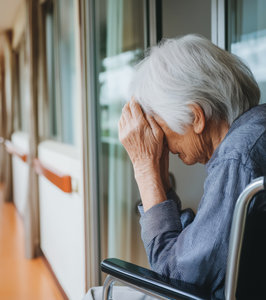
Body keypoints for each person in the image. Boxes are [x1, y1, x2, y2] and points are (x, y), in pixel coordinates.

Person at [85, 34, 266, 300]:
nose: (163, 144)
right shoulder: (255, 132)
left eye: (160, 126)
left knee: (93, 295)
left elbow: (176, 278)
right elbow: (204, 251)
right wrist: (161, 185)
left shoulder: (236, 159)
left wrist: (146, 171)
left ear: (195, 117)